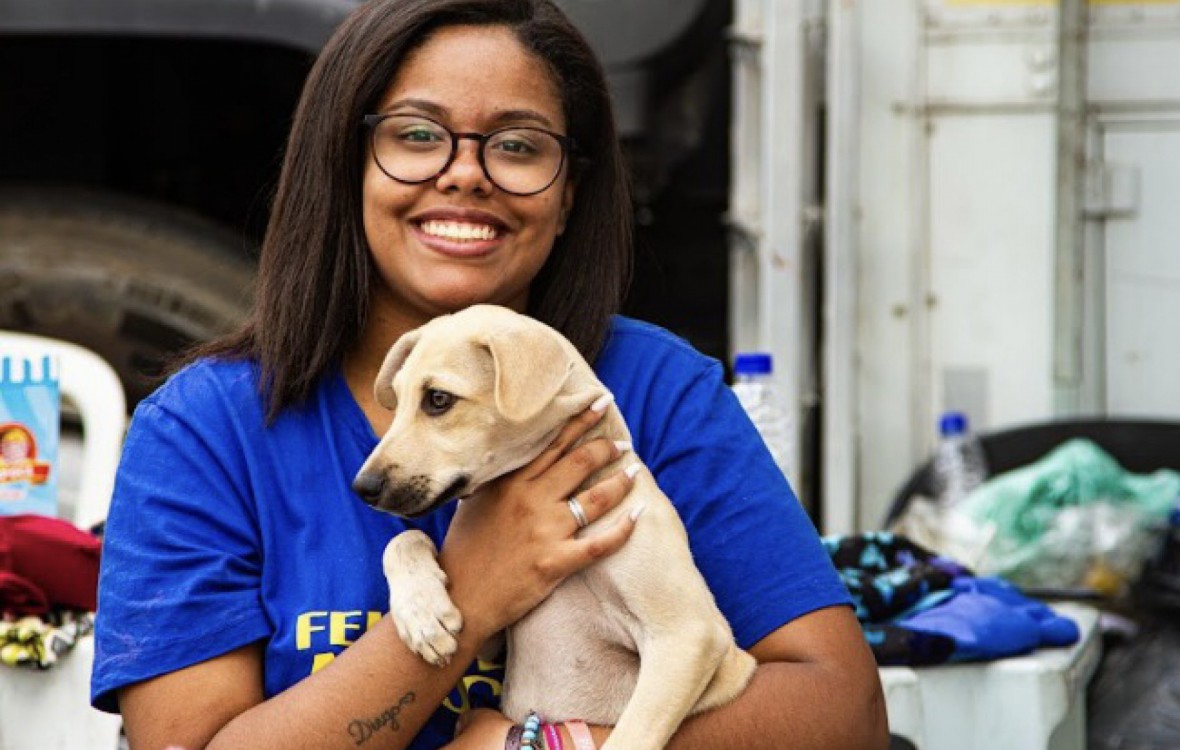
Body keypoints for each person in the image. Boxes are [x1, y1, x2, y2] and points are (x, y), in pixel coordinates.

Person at [91, 1, 888, 748]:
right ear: (345, 166)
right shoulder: (206, 429)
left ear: (568, 193)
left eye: (516, 145)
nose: (467, 175)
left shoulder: (652, 390)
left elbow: (844, 711)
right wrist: (472, 596)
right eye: (416, 135)